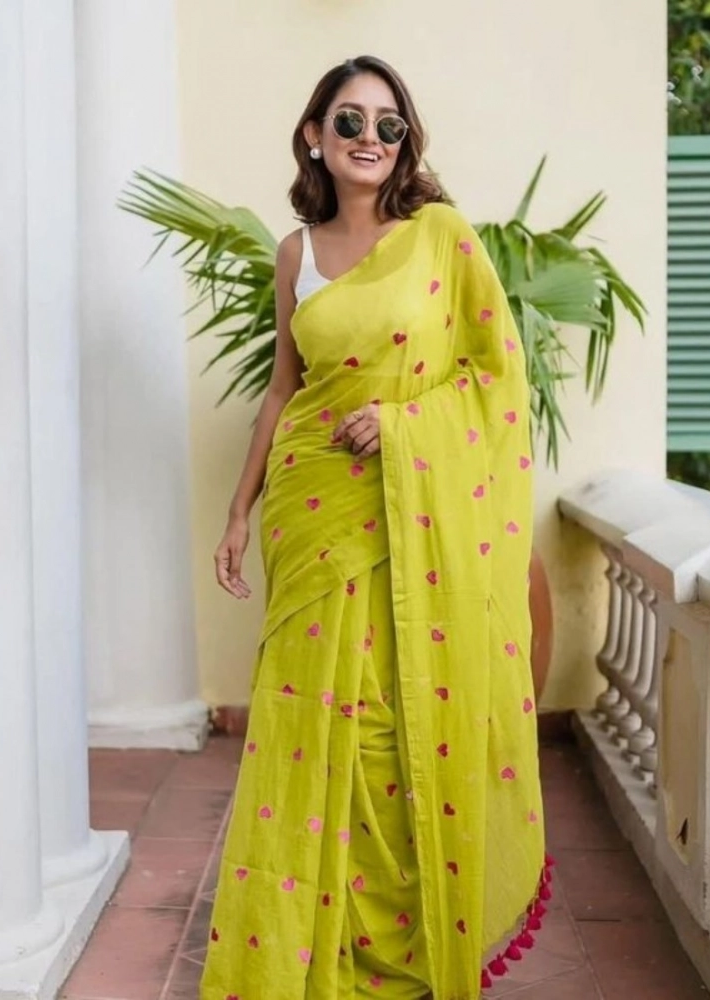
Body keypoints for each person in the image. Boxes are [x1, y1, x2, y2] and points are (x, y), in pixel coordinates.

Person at [201, 55, 551, 1000]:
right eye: (349, 120)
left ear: (406, 142)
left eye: (388, 124)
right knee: (314, 725)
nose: (369, 137)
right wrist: (238, 511)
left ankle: (399, 954)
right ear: (314, 135)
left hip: (409, 512)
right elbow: (284, 390)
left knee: (397, 729)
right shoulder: (295, 252)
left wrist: (403, 425)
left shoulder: (440, 237)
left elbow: (494, 376)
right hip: (312, 510)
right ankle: (310, 953)